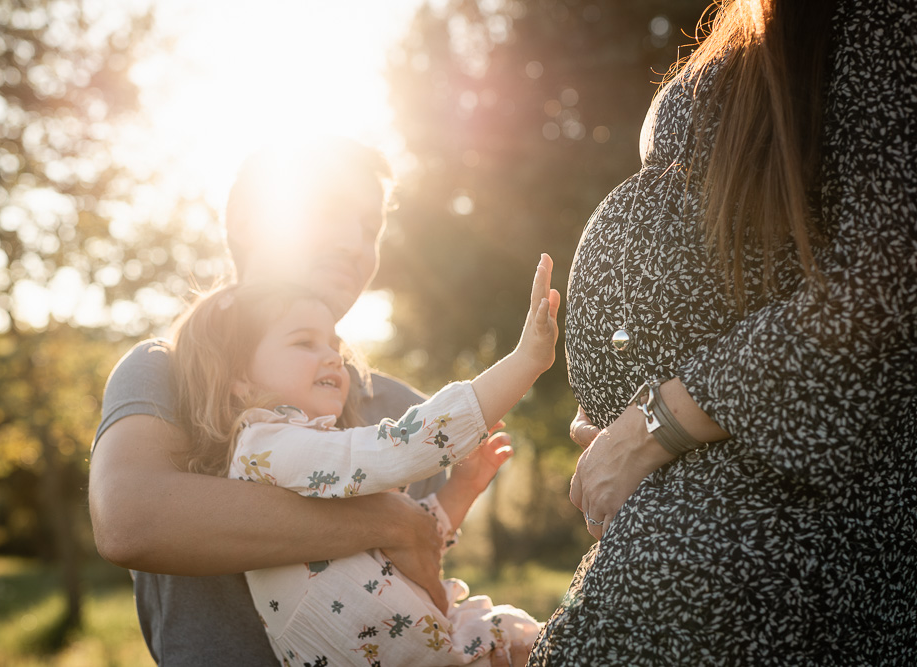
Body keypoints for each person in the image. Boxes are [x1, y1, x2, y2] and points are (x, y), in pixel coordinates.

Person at [530, 0, 915, 664]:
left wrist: (660, 420)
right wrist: (622, 409)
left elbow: (884, 281)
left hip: (762, 531)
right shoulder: (755, 22)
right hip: (698, 499)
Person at [89, 138, 528, 666]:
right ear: (250, 222)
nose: (353, 242)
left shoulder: (403, 408)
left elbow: (413, 594)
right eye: (327, 211)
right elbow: (131, 521)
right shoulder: (169, 369)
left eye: (370, 228)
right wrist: (392, 519)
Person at [166, 251, 558, 665]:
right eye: (304, 342)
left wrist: (461, 488)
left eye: (334, 345)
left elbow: (404, 543)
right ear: (239, 378)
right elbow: (397, 448)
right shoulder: (266, 448)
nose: (335, 357)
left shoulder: (306, 458)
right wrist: (524, 363)